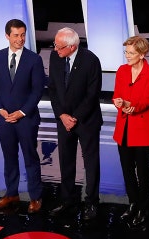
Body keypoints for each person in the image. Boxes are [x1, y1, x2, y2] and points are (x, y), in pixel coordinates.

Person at [0, 19, 45, 213]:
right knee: (9, 156)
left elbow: (37, 91)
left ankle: (35, 197)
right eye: (16, 35)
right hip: (4, 119)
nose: (20, 39)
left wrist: (21, 112)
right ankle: (11, 193)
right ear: (7, 36)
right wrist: (0, 110)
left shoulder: (34, 59)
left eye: (22, 35)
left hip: (26, 119)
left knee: (30, 157)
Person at [47, 27, 103, 220]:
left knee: (91, 163)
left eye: (60, 47)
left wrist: (75, 117)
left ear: (72, 47)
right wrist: (62, 115)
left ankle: (91, 203)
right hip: (63, 120)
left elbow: (92, 94)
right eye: (55, 45)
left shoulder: (91, 60)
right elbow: (52, 89)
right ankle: (67, 200)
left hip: (86, 120)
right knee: (66, 161)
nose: (56, 50)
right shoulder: (55, 58)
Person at [112, 36, 149, 227]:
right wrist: (119, 103)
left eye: (131, 53)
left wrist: (131, 106)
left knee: (143, 171)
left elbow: (147, 100)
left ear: (142, 54)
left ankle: (143, 208)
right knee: (127, 169)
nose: (127, 56)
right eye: (126, 52)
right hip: (124, 126)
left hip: (142, 128)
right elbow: (117, 95)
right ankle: (132, 203)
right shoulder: (122, 71)